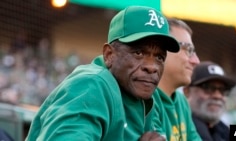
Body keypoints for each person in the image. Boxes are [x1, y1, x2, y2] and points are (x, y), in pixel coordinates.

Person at [25, 6, 180, 141]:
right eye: (138, 53)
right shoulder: (91, 85)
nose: (151, 67)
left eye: (159, 57)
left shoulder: (146, 98)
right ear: (109, 55)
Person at [153, 18, 202, 141]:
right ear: (163, 48)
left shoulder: (181, 101)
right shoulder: (144, 99)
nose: (196, 61)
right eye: (188, 50)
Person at [183, 61, 236, 141]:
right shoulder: (177, 125)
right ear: (187, 91)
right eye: (207, 88)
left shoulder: (222, 129)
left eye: (223, 90)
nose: (217, 96)